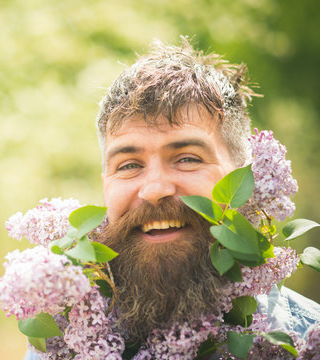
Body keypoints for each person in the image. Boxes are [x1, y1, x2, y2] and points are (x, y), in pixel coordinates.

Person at [24, 37, 319, 359]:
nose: (154, 189)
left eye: (188, 158)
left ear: (247, 178)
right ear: (105, 184)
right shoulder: (61, 345)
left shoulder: (306, 340)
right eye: (129, 165)